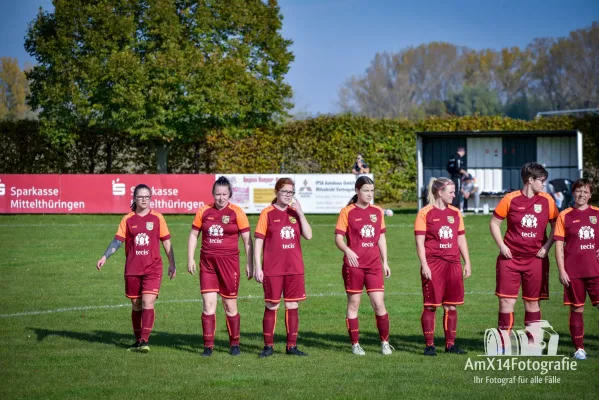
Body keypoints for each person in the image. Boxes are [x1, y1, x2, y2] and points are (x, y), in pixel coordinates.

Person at [96, 184, 176, 353]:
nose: (144, 200)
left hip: (153, 268)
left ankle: (144, 341)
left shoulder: (158, 218)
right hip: (133, 268)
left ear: (151, 198)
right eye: (141, 197)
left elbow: (166, 241)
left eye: (147, 197)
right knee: (136, 304)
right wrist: (105, 256)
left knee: (148, 302)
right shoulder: (128, 219)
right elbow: (117, 241)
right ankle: (138, 339)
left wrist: (172, 263)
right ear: (134, 198)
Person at [489, 162, 558, 342]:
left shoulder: (547, 200)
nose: (543, 184)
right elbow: (494, 223)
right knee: (506, 301)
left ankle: (533, 344)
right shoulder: (510, 199)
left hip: (536, 259)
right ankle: (503, 345)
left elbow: (556, 226)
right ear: (530, 180)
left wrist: (546, 246)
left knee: (532, 301)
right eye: (541, 180)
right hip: (509, 260)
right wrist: (502, 246)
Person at [187, 176, 253, 356]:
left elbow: (248, 240)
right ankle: (208, 346)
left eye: (224, 194)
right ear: (213, 194)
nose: (221, 198)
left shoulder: (237, 212)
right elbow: (194, 235)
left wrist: (250, 263)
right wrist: (190, 258)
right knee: (208, 305)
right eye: (217, 194)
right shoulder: (204, 211)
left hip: (229, 265)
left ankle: (234, 344)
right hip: (207, 264)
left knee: (230, 305)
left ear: (230, 194)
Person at [254, 178, 313, 357]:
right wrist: (258, 267)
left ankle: (291, 346)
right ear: (277, 192)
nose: (288, 195)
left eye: (291, 192)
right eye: (285, 192)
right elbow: (258, 241)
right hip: (272, 268)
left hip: (294, 267)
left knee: (292, 304)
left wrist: (301, 213)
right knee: (271, 305)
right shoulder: (267, 213)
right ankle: (268, 346)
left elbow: (309, 236)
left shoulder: (295, 213)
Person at [335, 176, 392, 356]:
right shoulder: (347, 212)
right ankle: (355, 344)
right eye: (366, 191)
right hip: (354, 266)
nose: (369, 194)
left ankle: (385, 342)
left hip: (374, 265)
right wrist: (347, 250)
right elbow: (338, 238)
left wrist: (385, 261)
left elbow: (381, 238)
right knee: (354, 304)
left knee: (379, 304)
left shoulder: (377, 211)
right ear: (357, 191)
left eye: (372, 191)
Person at [415, 177, 472, 356]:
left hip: (453, 264)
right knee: (431, 305)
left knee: (451, 306)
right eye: (451, 192)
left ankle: (450, 345)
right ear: (440, 192)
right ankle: (430, 345)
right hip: (433, 264)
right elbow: (419, 242)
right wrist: (424, 265)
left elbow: (461, 239)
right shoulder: (425, 213)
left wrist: (467, 262)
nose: (454, 195)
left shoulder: (455, 213)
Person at [554, 178, 599, 360]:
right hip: (573, 272)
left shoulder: (597, 213)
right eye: (579, 191)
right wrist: (562, 270)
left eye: (585, 192)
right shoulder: (564, 215)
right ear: (573, 193)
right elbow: (558, 245)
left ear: (590, 195)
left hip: (596, 271)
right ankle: (579, 349)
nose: (582, 195)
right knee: (577, 309)